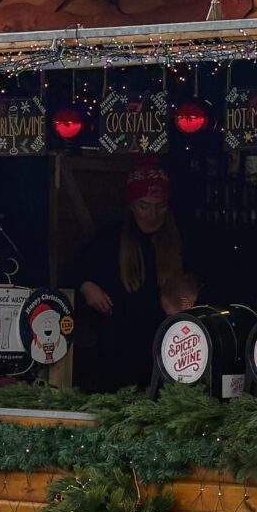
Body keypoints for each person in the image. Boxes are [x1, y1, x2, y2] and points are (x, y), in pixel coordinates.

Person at [74, 162, 198, 392]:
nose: (152, 214)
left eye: (160, 207)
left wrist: (186, 301)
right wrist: (87, 286)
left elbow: (199, 288)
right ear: (131, 205)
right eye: (144, 206)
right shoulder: (110, 238)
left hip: (168, 352)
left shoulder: (183, 241)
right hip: (117, 354)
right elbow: (75, 270)